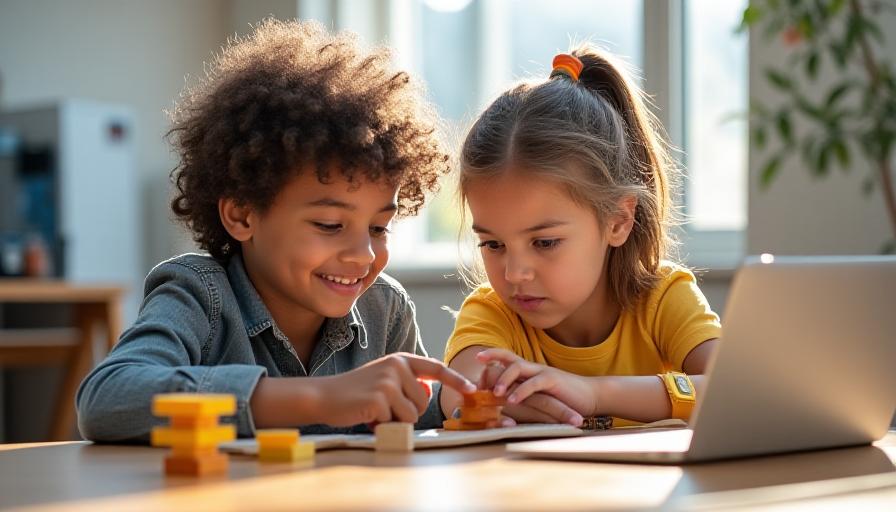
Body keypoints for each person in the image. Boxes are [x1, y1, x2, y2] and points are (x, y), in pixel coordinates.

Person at [77, 19, 475, 442]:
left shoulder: (385, 308)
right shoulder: (199, 294)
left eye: (379, 227)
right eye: (330, 225)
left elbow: (415, 411)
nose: (363, 254)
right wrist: (317, 397)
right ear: (243, 215)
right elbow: (108, 400)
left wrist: (470, 401)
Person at [440, 46, 721, 429]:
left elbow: (731, 390)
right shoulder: (493, 313)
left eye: (544, 242)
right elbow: (458, 391)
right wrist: (485, 399)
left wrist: (593, 392)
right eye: (493, 244)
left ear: (618, 221)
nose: (515, 273)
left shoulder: (664, 298)